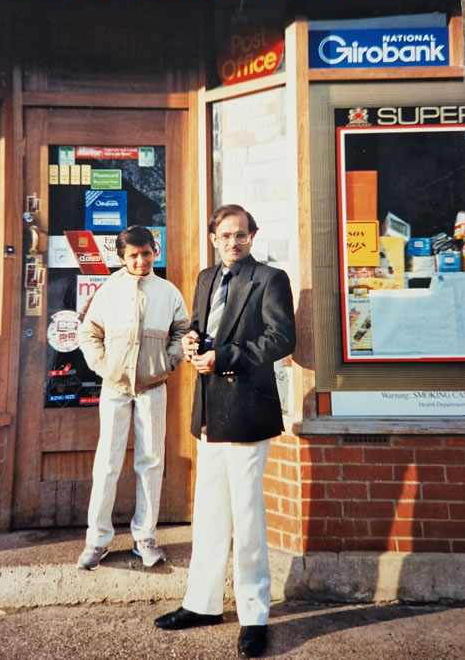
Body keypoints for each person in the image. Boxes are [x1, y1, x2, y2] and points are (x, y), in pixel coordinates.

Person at [155, 205, 296, 658]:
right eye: (224, 235)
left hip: (248, 408)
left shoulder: (270, 279)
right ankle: (202, 603)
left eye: (240, 235)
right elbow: (200, 324)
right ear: (213, 237)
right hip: (209, 409)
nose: (231, 243)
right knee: (211, 511)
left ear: (253, 237)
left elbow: (281, 339)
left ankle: (254, 614)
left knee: (248, 517)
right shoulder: (204, 277)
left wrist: (226, 356)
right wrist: (193, 342)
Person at [76, 226, 189, 571]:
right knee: (107, 462)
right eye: (133, 255)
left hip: (153, 387)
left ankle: (146, 537)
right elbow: (89, 332)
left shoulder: (168, 292)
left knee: (151, 460)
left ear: (155, 251)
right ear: (122, 258)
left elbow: (183, 331)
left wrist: (168, 362)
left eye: (146, 253)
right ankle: (97, 541)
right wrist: (102, 365)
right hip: (114, 388)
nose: (141, 261)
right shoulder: (109, 291)